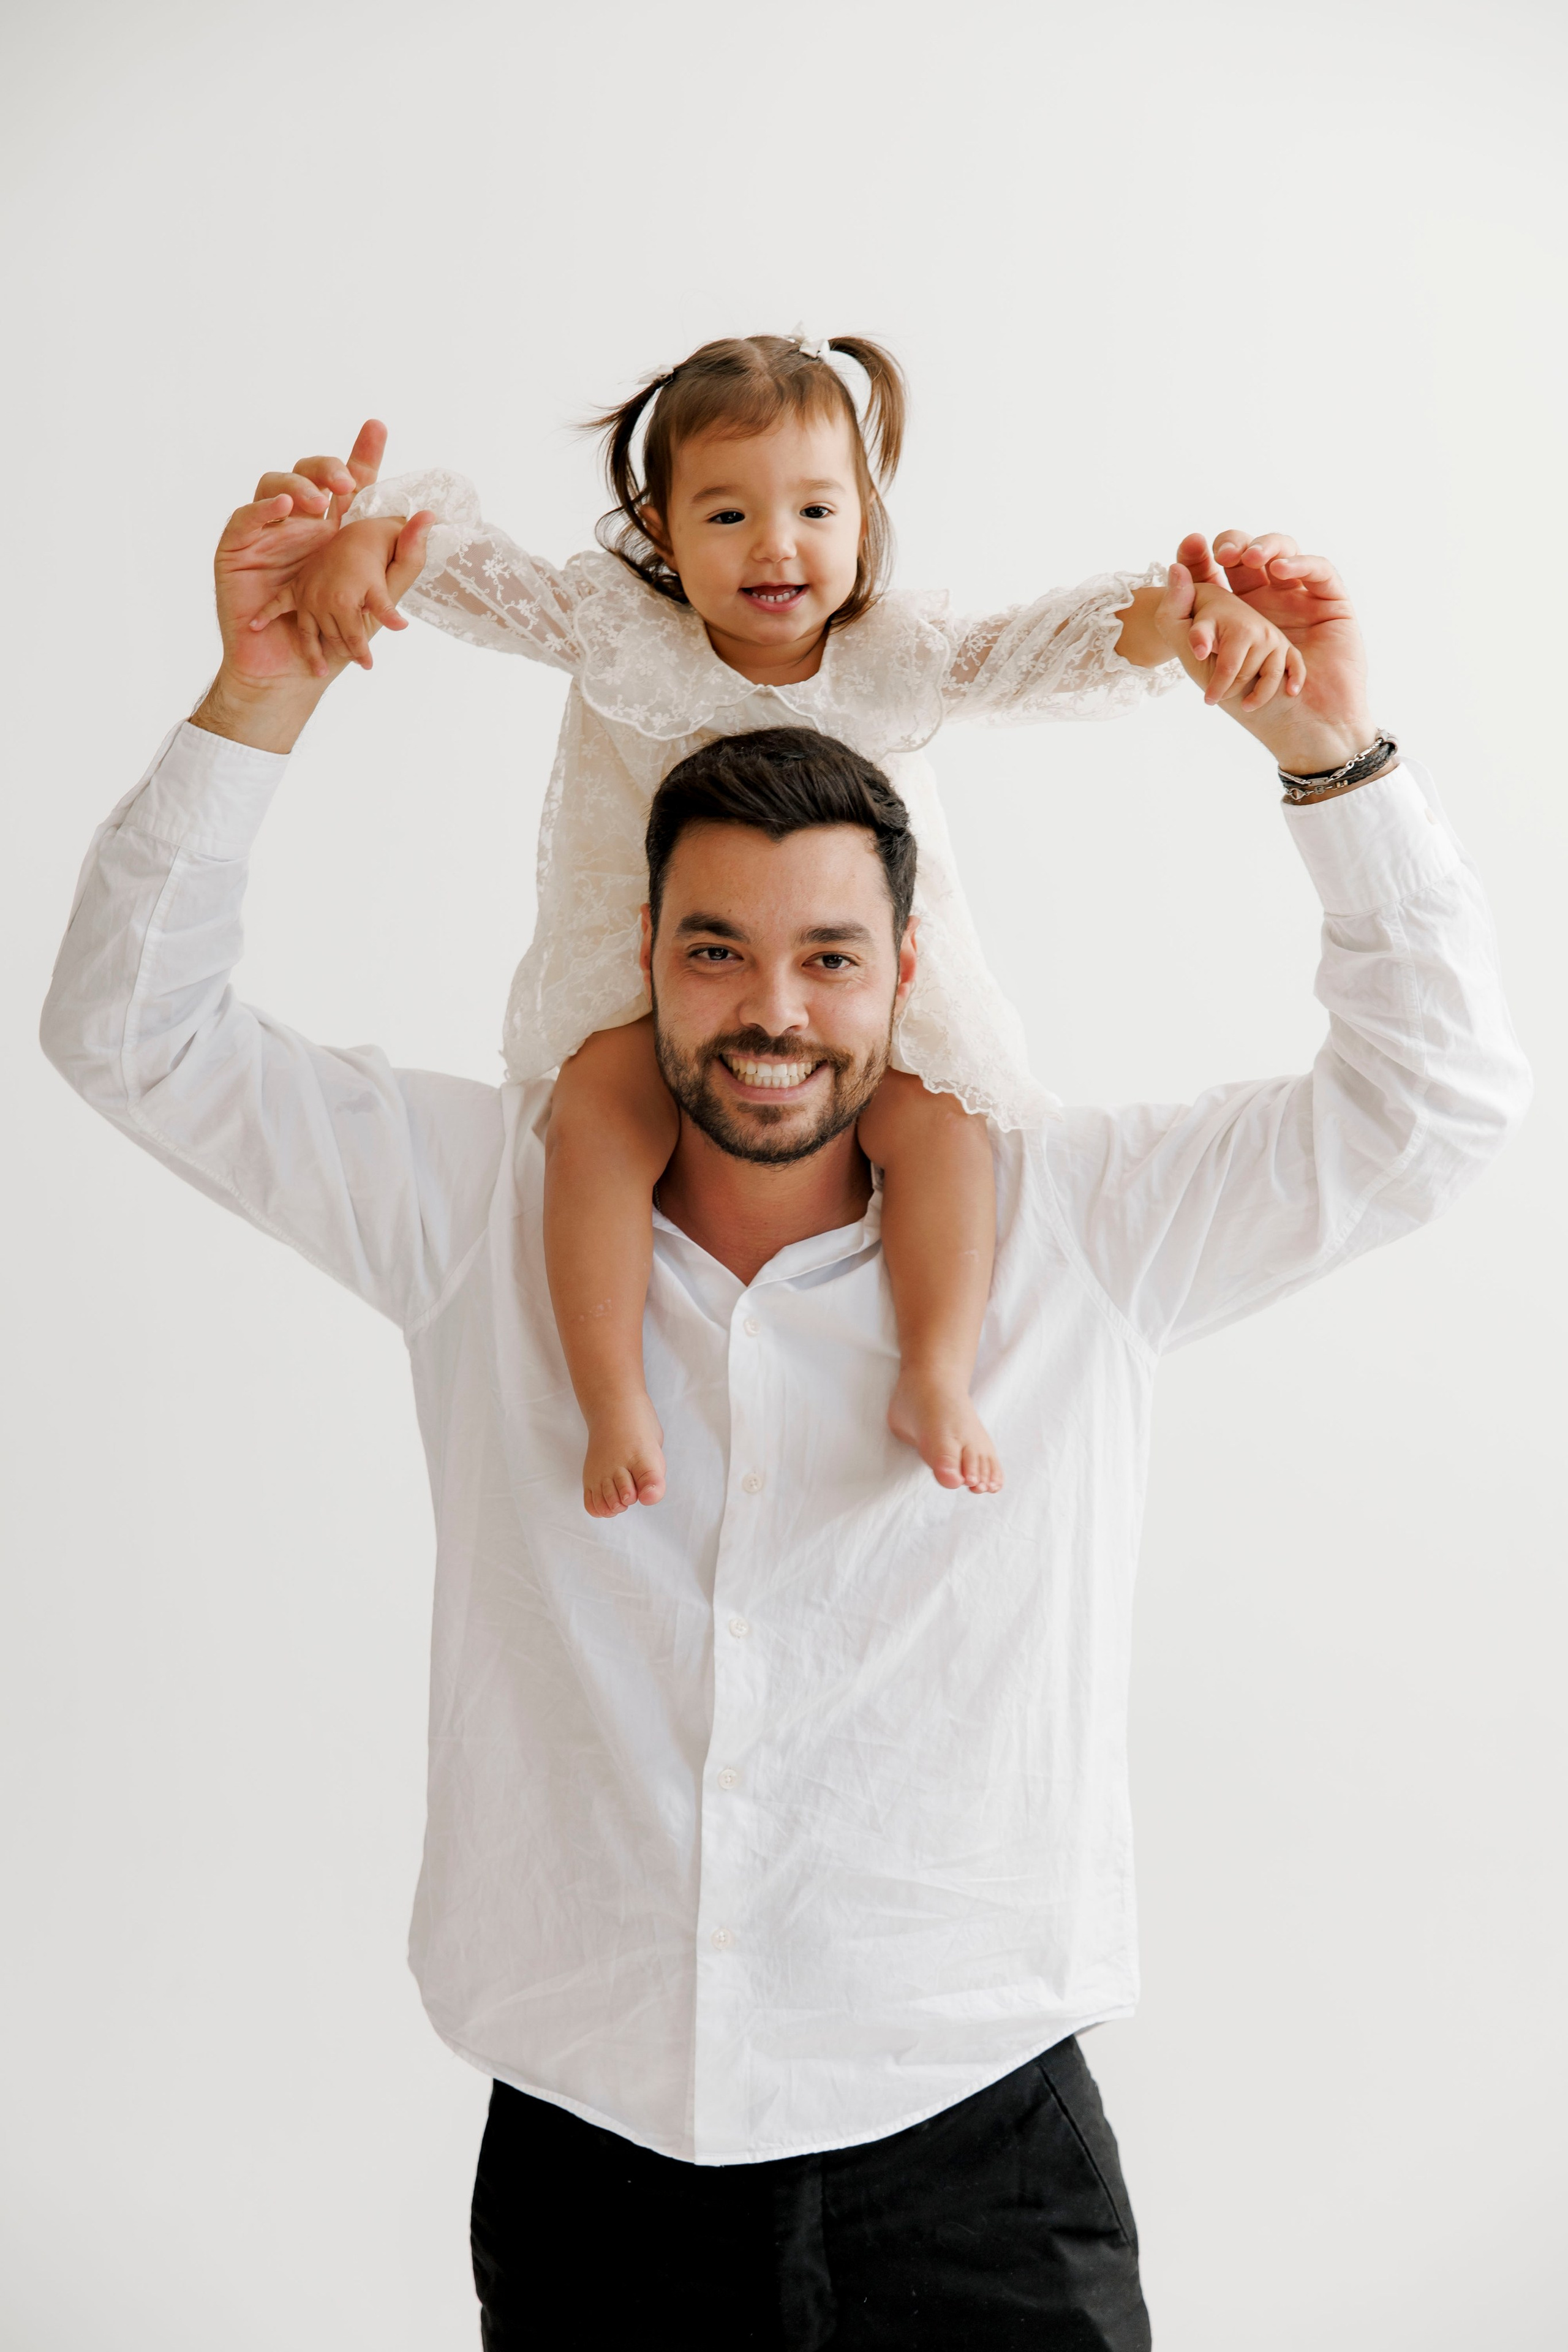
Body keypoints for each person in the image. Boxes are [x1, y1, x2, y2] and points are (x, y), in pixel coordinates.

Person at [40, 442, 1528, 2350]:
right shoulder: (476, 1207)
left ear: (906, 972)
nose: (773, 1012)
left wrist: (1335, 761)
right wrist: (262, 689)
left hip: (980, 2154)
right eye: (716, 953)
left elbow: (1437, 1106)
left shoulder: (1079, 1232)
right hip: (595, 2166)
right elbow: (129, 1033)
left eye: (831, 960)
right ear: (640, 960)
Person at [255, 339, 1300, 1515]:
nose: (776, 545)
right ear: (658, 530)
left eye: (815, 507)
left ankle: (937, 1374)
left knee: (942, 1125)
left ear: (864, 517)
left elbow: (1042, 652)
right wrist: (369, 545)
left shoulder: (895, 657)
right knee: (599, 1113)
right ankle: (611, 1394)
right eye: (727, 512)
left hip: (849, 992)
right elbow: (475, 577)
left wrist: (1187, 623)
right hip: (657, 968)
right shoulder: (618, 630)